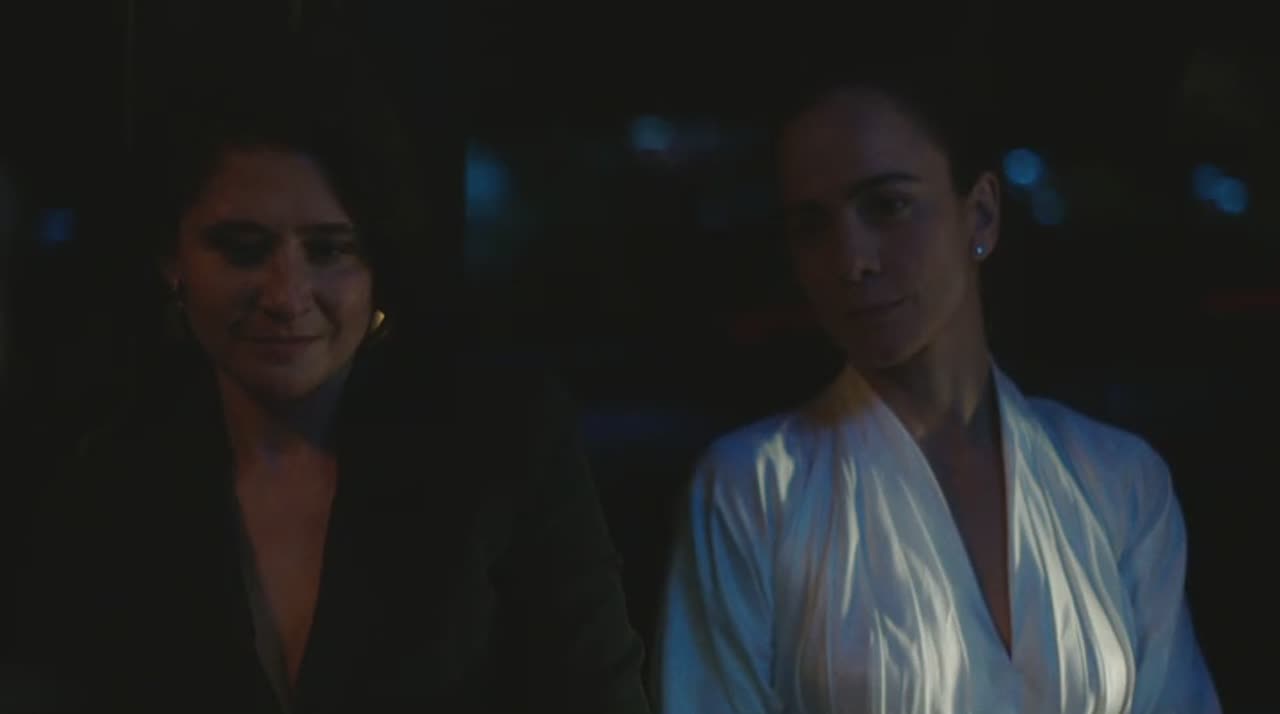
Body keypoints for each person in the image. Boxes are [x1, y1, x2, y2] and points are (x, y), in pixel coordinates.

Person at [9, 32, 650, 714]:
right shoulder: (106, 482)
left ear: (377, 263)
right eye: (243, 249)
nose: (286, 295)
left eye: (328, 250)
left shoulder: (503, 442)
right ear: (173, 260)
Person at [652, 49, 1221, 714]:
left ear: (980, 215)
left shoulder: (1117, 481)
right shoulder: (754, 493)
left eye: (888, 205)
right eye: (812, 226)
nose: (852, 260)